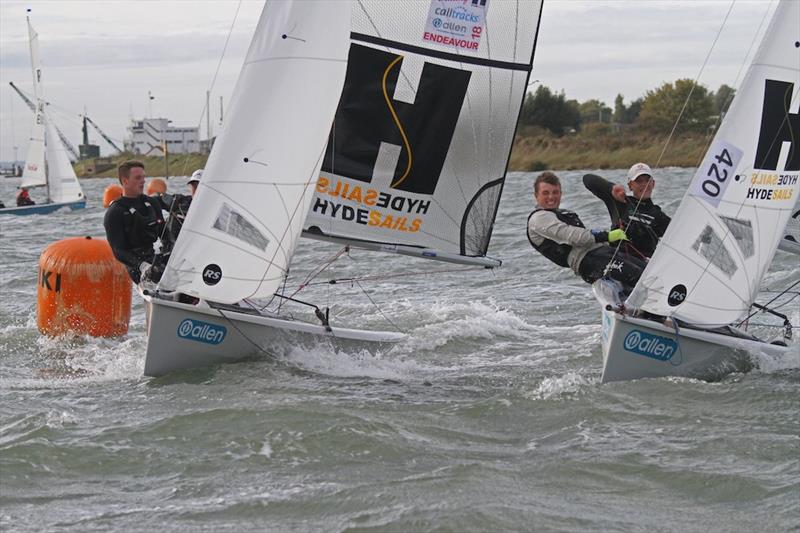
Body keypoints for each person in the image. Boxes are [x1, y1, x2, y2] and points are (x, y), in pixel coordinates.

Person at [527, 171, 646, 289]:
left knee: (649, 271)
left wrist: (612, 240)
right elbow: (572, 236)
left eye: (555, 192)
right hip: (589, 262)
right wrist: (607, 236)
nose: (551, 197)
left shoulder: (562, 213)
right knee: (640, 276)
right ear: (536, 195)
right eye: (545, 193)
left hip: (602, 253)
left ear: (561, 193)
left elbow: (588, 237)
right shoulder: (538, 218)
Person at [103, 160, 190, 284]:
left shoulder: (152, 203)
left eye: (144, 177)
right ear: (125, 181)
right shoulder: (115, 212)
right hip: (136, 265)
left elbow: (165, 234)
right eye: (138, 178)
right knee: (161, 277)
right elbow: (118, 251)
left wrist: (175, 254)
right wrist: (142, 266)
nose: (143, 181)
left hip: (154, 256)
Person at [583, 162, 671, 258]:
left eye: (647, 180)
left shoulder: (658, 215)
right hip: (619, 257)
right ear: (630, 186)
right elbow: (587, 179)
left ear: (653, 184)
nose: (644, 184)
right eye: (639, 181)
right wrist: (611, 188)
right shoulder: (620, 202)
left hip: (644, 264)